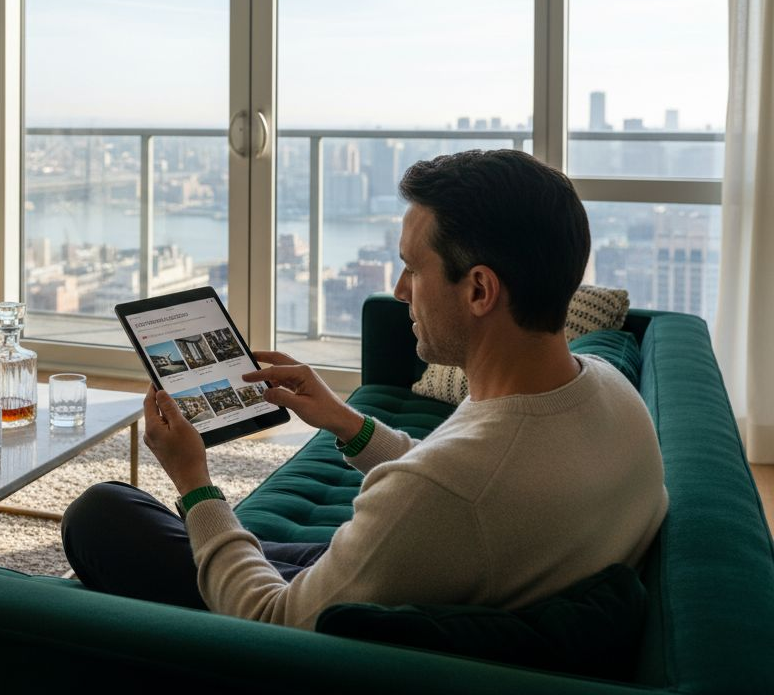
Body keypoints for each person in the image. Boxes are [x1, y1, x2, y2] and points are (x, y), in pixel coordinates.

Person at [61, 149, 668, 630]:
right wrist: (344, 420)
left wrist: (194, 482)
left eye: (413, 267)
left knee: (102, 516)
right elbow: (462, 486)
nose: (400, 291)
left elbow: (273, 620)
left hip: (307, 640)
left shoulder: (452, 485)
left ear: (479, 291)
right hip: (451, 569)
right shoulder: (609, 392)